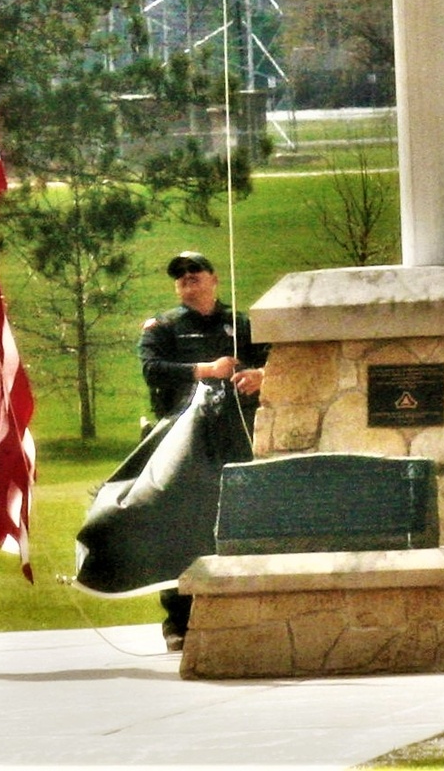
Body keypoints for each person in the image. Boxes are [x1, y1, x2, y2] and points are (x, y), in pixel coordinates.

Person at [137, 251, 268, 651]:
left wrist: (261, 376)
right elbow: (151, 369)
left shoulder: (242, 324)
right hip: (182, 437)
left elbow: (278, 361)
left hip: (236, 434)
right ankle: (178, 620)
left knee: (241, 522)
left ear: (213, 278)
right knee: (181, 525)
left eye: (195, 271)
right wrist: (205, 370)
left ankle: (243, 609)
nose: (187, 278)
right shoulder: (163, 326)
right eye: (179, 274)